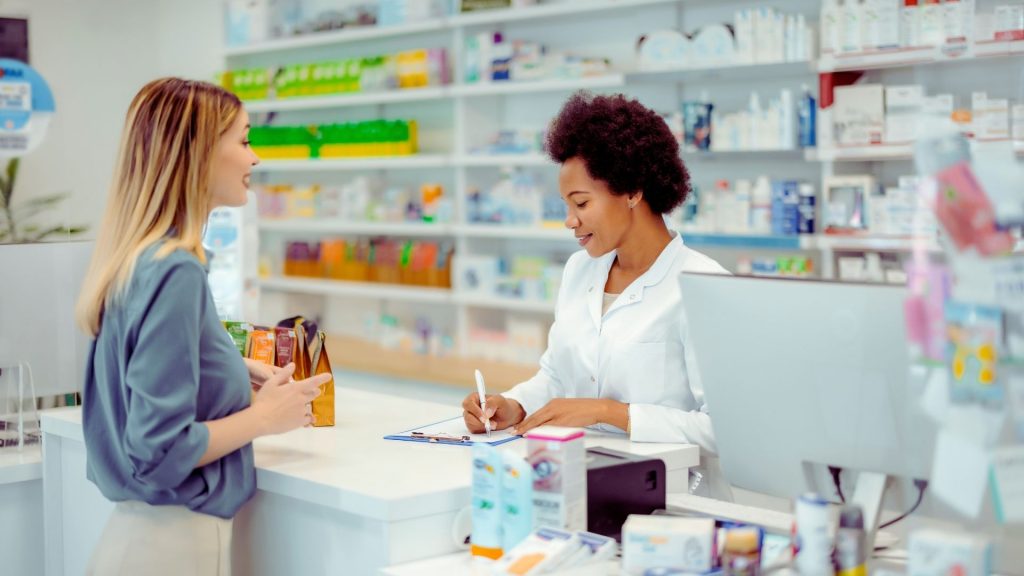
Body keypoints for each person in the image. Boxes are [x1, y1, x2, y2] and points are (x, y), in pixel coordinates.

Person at [74, 78, 331, 575]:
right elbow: (159, 451)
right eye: (244, 140)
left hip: (139, 542)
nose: (255, 158)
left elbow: (142, 376)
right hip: (171, 548)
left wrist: (230, 369)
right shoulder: (177, 271)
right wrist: (265, 417)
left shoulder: (138, 258)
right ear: (198, 153)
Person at [461, 91, 732, 499]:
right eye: (566, 205)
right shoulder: (579, 270)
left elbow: (724, 429)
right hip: (580, 485)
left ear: (633, 191)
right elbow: (556, 376)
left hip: (675, 500)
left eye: (582, 203)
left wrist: (611, 413)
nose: (570, 221)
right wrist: (513, 406)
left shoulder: (702, 285)